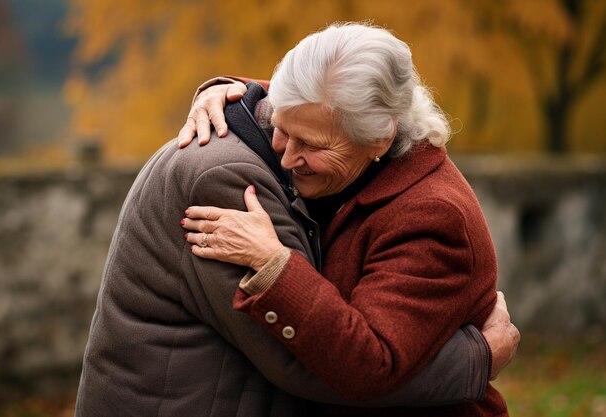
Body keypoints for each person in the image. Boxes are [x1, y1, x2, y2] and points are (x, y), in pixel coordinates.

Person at [180, 23, 513, 416]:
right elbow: (304, 104)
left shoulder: (433, 218)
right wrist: (227, 91)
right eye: (282, 130)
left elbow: (370, 366)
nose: (286, 158)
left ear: (381, 138)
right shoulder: (342, 132)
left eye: (311, 146)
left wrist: (273, 263)